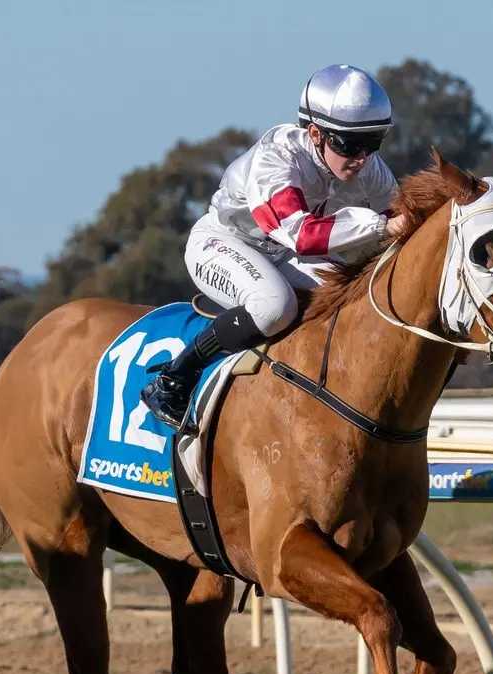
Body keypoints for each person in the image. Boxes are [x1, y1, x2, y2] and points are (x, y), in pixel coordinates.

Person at [139, 63, 410, 430]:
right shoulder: (276, 159)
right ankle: (173, 379)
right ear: (314, 133)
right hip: (223, 242)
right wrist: (381, 224)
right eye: (349, 145)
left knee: (355, 299)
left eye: (373, 142)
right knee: (273, 307)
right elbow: (301, 235)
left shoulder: (368, 169)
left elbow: (400, 221)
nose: (362, 158)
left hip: (281, 254)